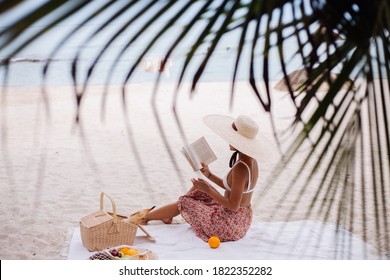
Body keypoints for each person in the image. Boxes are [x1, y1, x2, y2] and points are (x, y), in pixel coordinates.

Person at [129, 114, 267, 242]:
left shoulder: (240, 168)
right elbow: (235, 189)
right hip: (241, 221)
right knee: (199, 186)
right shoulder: (251, 161)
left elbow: (233, 205)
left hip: (228, 225)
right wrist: (209, 175)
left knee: (185, 202)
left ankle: (146, 217)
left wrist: (209, 190)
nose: (227, 139)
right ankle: (167, 215)